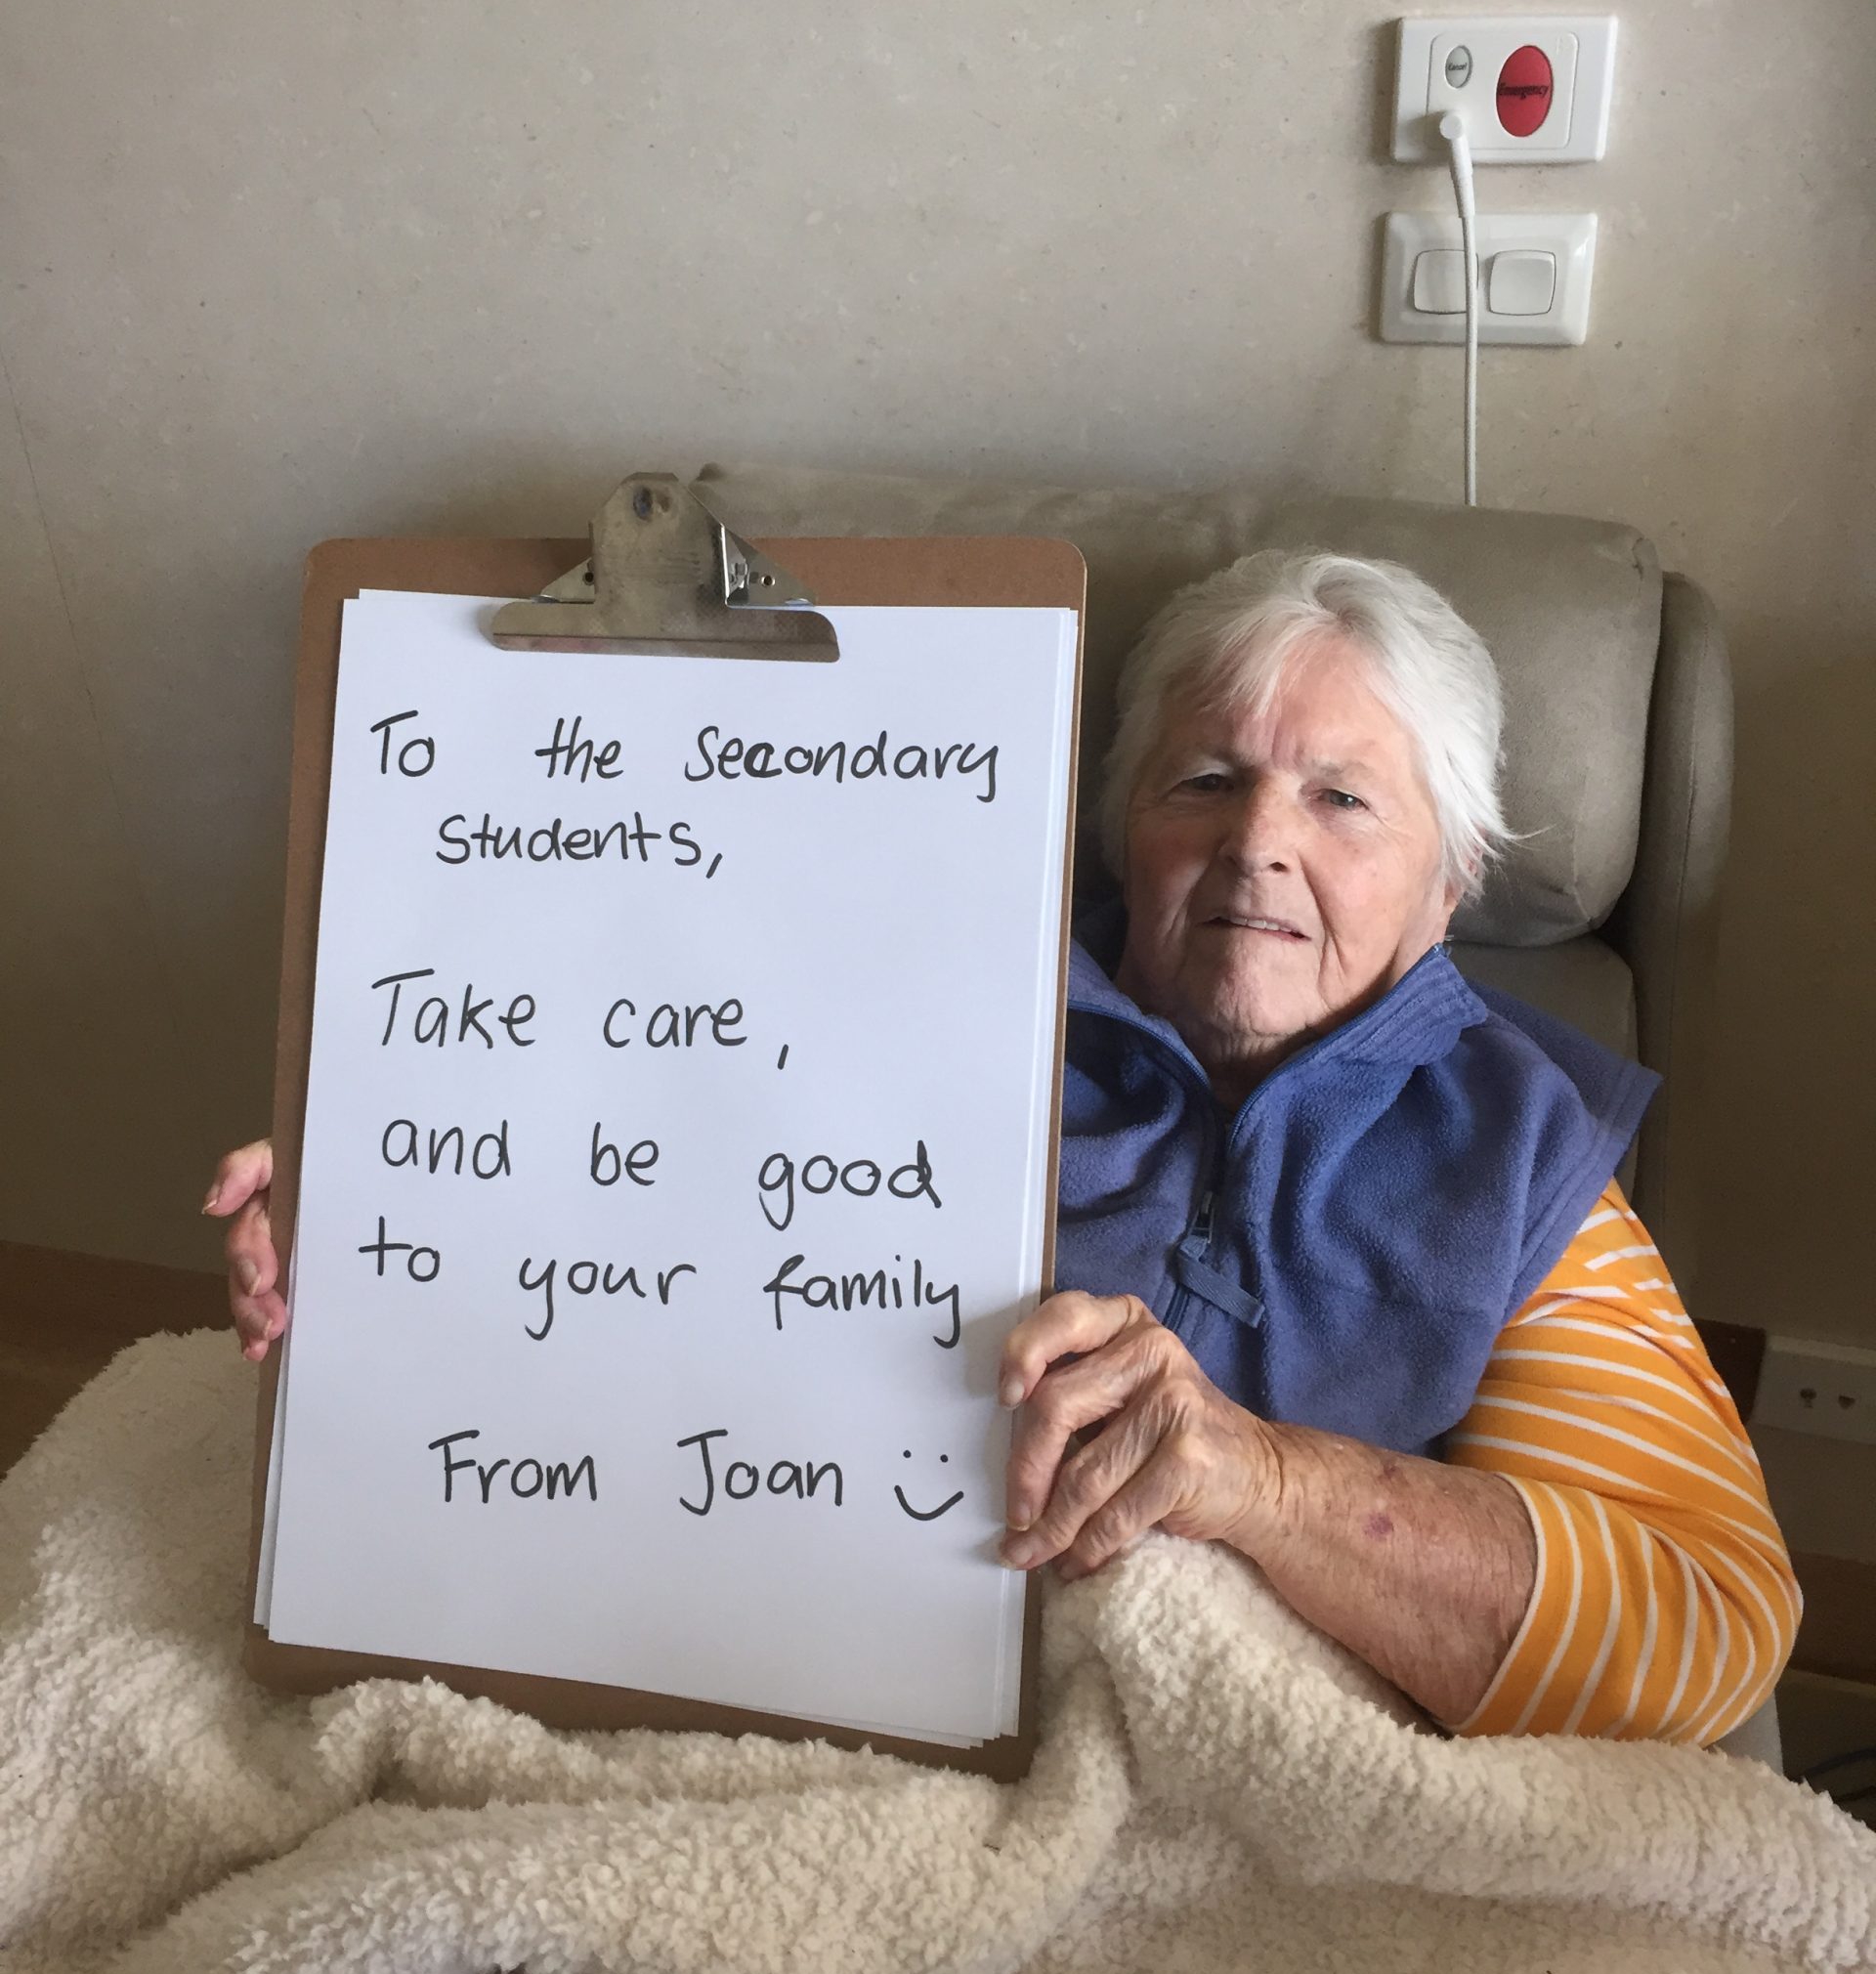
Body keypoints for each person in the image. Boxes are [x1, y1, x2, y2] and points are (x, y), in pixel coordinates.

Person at [208, 549, 1798, 1746]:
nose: (1261, 840)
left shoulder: (1520, 1158)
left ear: (1451, 886)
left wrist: (1256, 1483)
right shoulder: (901, 1012)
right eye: (1207, 779)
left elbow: (1707, 1631)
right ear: (1115, 829)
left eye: (1343, 799)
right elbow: (636, 1232)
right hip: (793, 1700)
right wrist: (405, 1197)